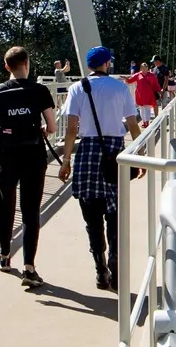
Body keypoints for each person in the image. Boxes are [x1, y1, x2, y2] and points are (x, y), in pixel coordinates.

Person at [59, 46, 141, 291]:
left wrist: (65, 161)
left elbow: (72, 128)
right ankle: (116, 263)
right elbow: (133, 124)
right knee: (115, 215)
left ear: (89, 66)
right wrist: (140, 156)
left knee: (91, 217)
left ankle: (100, 269)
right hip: (115, 152)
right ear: (107, 64)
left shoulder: (77, 88)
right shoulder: (120, 87)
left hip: (87, 153)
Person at [0, 45, 56, 287]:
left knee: (6, 208)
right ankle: (29, 268)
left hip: (6, 158)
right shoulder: (40, 91)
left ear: (6, 66)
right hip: (34, 157)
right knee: (30, 211)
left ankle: (4, 257)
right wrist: (43, 128)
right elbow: (53, 127)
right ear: (27, 63)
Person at [126, 60, 161, 125]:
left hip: (149, 95)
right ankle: (144, 121)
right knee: (141, 109)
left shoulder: (152, 75)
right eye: (143, 67)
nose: (144, 68)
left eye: (145, 66)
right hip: (140, 95)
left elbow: (156, 84)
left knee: (147, 108)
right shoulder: (137, 75)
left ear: (147, 68)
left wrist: (160, 91)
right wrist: (126, 79)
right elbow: (130, 80)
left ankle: (146, 122)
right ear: (141, 68)